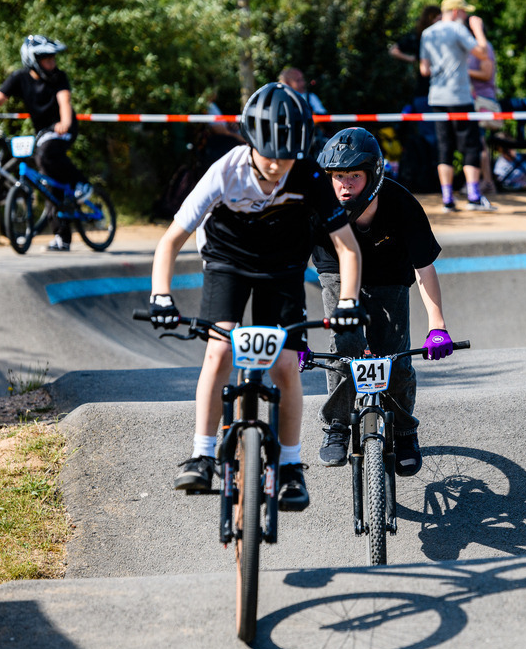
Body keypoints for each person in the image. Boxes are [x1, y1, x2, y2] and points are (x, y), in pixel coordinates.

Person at [147, 82, 366, 511]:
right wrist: (161, 295)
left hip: (281, 267)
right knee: (218, 352)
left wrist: (348, 303)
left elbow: (347, 248)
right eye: (270, 158)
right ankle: (203, 454)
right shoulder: (225, 171)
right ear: (251, 142)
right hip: (227, 260)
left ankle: (289, 467)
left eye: (287, 159)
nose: (277, 168)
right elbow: (170, 240)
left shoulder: (308, 176)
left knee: (285, 364)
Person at [310, 127, 452, 477]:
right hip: (336, 271)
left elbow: (424, 268)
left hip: (390, 276)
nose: (344, 185)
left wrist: (437, 326)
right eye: (337, 177)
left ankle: (405, 431)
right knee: (345, 346)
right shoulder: (319, 209)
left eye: (353, 176)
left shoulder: (402, 205)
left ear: (373, 174)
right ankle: (338, 426)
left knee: (396, 358)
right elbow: (286, 271)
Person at [0, 35, 91, 252]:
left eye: (53, 59)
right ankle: (62, 238)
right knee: (46, 183)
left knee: (47, 154)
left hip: (62, 129)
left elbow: (64, 101)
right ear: (34, 61)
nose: (52, 63)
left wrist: (65, 122)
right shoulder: (19, 78)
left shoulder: (59, 78)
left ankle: (81, 184)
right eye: (47, 59)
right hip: (42, 132)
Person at [419, 0, 495, 212]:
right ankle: (473, 197)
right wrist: (478, 29)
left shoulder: (427, 33)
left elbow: (424, 70)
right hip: (460, 96)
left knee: (445, 147)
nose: (467, 15)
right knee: (470, 145)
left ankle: (447, 199)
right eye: (464, 12)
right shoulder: (458, 28)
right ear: (455, 12)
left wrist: (442, 69)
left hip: (437, 97)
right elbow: (482, 53)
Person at [467, 14, 500, 197]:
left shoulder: (485, 47)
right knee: (477, 142)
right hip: (474, 101)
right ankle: (483, 182)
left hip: (483, 101)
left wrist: (463, 71)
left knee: (479, 143)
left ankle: (486, 182)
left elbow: (487, 74)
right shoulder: (471, 49)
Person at [389, 5, 442, 109]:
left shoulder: (430, 35)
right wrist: (411, 58)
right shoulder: (419, 36)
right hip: (426, 89)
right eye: (439, 19)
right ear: (432, 18)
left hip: (438, 91)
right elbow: (394, 50)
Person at [278, 67, 331, 154]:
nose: (303, 83)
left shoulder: (310, 98)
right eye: (298, 80)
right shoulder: (278, 98)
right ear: (287, 83)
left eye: (302, 79)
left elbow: (324, 119)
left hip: (309, 145)